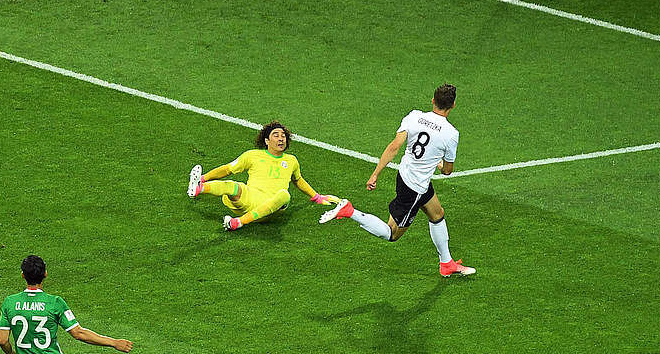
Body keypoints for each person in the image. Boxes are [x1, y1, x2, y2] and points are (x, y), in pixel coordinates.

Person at [320, 84, 476, 278]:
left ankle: (447, 263)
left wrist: (375, 174)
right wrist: (438, 164)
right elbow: (447, 171)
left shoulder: (414, 116)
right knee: (391, 233)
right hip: (415, 187)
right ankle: (350, 211)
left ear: (433, 101)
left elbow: (394, 147)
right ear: (453, 105)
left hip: (404, 176)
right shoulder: (451, 134)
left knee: (437, 214)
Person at [186, 120, 341, 231]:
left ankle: (238, 223)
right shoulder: (252, 155)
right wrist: (204, 177)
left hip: (272, 207)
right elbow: (227, 169)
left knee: (284, 195)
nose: (281, 138)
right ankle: (199, 187)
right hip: (250, 199)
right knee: (233, 186)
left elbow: (298, 180)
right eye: (276, 135)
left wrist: (317, 197)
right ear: (266, 140)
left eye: (283, 136)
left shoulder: (291, 160)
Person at [0, 255, 133, 354]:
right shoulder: (55, 303)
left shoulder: (9, 303)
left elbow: (3, 341)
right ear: (45, 274)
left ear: (23, 275)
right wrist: (114, 342)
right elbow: (78, 333)